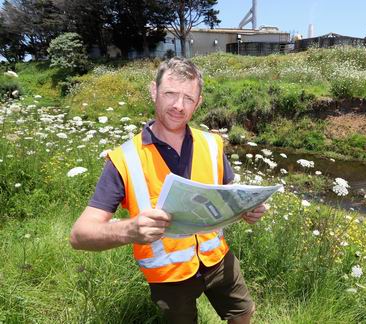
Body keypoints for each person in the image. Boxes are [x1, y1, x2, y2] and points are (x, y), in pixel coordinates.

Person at [70, 57, 267, 324]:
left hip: (218, 257)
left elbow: (228, 191)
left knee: (243, 313)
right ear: (153, 91)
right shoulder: (123, 159)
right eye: (170, 94)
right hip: (167, 275)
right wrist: (129, 230)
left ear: (198, 102)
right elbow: (79, 236)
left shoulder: (212, 145)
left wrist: (247, 207)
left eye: (188, 98)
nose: (178, 105)